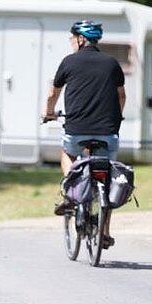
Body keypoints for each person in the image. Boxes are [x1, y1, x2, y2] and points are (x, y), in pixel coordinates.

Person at [43, 20, 126, 247]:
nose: (71, 43)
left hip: (76, 130)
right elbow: (121, 96)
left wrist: (48, 113)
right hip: (108, 132)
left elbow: (53, 93)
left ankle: (71, 194)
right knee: (107, 180)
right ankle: (105, 232)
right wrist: (117, 119)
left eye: (72, 38)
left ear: (80, 39)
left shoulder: (69, 62)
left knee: (67, 154)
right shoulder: (112, 63)